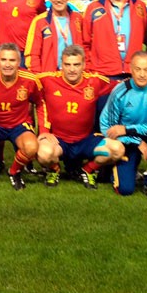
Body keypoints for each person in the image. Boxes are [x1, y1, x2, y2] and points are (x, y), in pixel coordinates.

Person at [36, 45, 124, 188]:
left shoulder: (95, 81)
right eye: (67, 64)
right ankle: (54, 170)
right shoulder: (47, 80)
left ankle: (88, 170)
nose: (72, 69)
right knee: (43, 154)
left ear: (83, 65)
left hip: (86, 141)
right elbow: (23, 77)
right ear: (61, 65)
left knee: (117, 149)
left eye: (76, 64)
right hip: (59, 141)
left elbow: (122, 84)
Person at [100, 51, 147, 201]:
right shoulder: (120, 91)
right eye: (138, 69)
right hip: (127, 140)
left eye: (146, 70)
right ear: (131, 69)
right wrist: (136, 141)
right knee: (125, 189)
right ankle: (123, 169)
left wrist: (130, 129)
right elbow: (109, 128)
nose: (142, 74)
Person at [0, 44, 44, 190]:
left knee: (32, 147)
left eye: (12, 60)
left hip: (19, 125)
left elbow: (40, 103)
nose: (7, 64)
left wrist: (44, 131)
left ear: (19, 62)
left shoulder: (30, 80)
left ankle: (14, 171)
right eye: (3, 60)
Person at [83, 0, 147, 79]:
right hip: (102, 73)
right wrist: (89, 69)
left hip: (134, 72)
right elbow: (84, 42)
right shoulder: (93, 8)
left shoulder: (140, 7)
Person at [24, 0, 85, 73]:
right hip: (50, 76)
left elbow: (87, 46)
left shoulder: (78, 18)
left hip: (75, 74)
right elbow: (32, 54)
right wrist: (38, 76)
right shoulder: (40, 21)